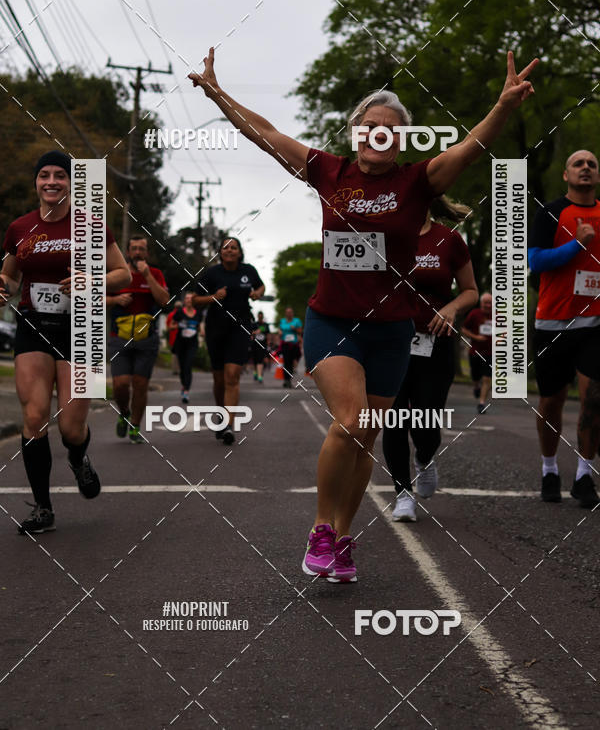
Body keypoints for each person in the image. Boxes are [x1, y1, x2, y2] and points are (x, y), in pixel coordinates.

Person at [189, 47, 537, 583]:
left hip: (392, 330)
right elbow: (266, 132)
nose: (378, 135)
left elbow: (472, 147)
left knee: (367, 435)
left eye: (389, 130)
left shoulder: (418, 182)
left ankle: (343, 536)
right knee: (349, 421)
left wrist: (504, 105)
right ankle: (320, 532)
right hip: (333, 321)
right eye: (370, 126)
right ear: (355, 132)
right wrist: (217, 93)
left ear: (400, 140)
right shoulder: (328, 172)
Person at [0, 151, 130, 534]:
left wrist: (93, 282)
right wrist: (3, 287)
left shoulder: (91, 226)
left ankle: (78, 458)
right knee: (35, 415)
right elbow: (9, 276)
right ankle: (43, 507)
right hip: (33, 326)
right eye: (44, 175)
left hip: (82, 328)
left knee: (72, 428)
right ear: (36, 182)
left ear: (71, 182)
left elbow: (121, 274)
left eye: (60, 175)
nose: (52, 181)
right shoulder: (19, 228)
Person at [382, 197, 478, 521]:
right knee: (394, 421)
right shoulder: (383, 237)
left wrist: (451, 307)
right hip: (389, 342)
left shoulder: (449, 239)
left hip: (435, 342)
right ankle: (402, 494)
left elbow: (470, 291)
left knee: (426, 419)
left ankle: (424, 458)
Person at [528, 149, 600, 508]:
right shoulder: (550, 212)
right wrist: (578, 244)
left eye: (592, 164)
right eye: (578, 164)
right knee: (551, 401)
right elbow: (535, 260)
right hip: (552, 323)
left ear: (597, 175)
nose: (585, 168)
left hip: (595, 324)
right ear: (566, 175)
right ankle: (549, 468)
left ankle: (584, 475)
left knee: (593, 397)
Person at [193, 237, 265, 445]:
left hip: (240, 327)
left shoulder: (248, 270)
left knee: (232, 375)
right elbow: (196, 300)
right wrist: (213, 297)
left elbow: (261, 287)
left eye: (234, 247)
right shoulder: (211, 274)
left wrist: (257, 293)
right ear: (220, 253)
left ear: (240, 252)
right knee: (219, 379)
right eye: (226, 248)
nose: (230, 250)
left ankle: (227, 425)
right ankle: (221, 412)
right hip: (216, 328)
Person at [106, 235, 170, 443]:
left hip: (146, 340)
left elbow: (164, 301)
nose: (137, 253)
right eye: (133, 249)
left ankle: (135, 425)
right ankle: (123, 413)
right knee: (121, 384)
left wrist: (148, 276)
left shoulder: (156, 273)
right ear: (127, 252)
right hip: (119, 337)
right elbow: (95, 299)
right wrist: (115, 299)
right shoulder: (116, 275)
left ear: (147, 253)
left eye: (141, 249)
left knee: (140, 384)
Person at [463, 293, 493, 413]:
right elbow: (464, 329)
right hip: (475, 351)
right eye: (486, 302)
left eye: (490, 303)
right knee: (475, 376)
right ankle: (476, 386)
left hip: (490, 352)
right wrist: (476, 337)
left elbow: (504, 332)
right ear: (481, 303)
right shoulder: (474, 314)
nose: (488, 305)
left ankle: (481, 404)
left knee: (487, 378)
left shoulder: (497, 315)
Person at [171, 291, 201, 402]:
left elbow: (198, 327)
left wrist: (201, 331)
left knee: (188, 366)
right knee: (183, 368)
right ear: (184, 301)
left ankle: (186, 391)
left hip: (192, 344)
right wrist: (177, 325)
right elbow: (171, 325)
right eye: (187, 298)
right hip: (180, 344)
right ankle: (184, 385)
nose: (189, 300)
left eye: (191, 298)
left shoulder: (198, 313)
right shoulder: (179, 313)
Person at [279, 307, 303, 388]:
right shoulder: (282, 321)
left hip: (294, 345)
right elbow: (280, 329)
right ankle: (287, 380)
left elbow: (300, 331)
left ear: (292, 313)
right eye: (287, 312)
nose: (289, 314)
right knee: (286, 362)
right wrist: (280, 332)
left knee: (292, 362)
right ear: (286, 313)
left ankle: (289, 377)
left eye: (290, 312)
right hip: (285, 344)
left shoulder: (297, 321)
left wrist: (295, 329)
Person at [251, 310, 271, 382]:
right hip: (255, 344)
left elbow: (268, 334)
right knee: (255, 360)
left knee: (260, 360)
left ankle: (260, 376)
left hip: (262, 344)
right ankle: (256, 372)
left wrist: (268, 343)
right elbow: (251, 333)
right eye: (259, 316)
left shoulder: (266, 325)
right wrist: (256, 332)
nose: (260, 317)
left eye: (261, 316)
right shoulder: (254, 324)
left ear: (262, 316)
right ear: (258, 316)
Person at [166, 299, 183, 375]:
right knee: (181, 352)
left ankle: (174, 369)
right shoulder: (183, 314)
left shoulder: (170, 314)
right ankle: (180, 369)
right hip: (181, 336)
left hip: (173, 336)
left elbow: (167, 326)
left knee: (174, 353)